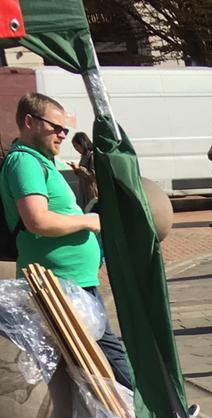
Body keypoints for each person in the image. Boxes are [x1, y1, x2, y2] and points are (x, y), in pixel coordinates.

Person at [0, 92, 134, 390]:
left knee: (105, 359)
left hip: (70, 282)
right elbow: (38, 220)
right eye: (56, 127)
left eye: (66, 129)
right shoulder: (24, 162)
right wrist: (89, 221)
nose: (63, 134)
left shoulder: (39, 161)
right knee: (107, 360)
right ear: (30, 121)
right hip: (59, 285)